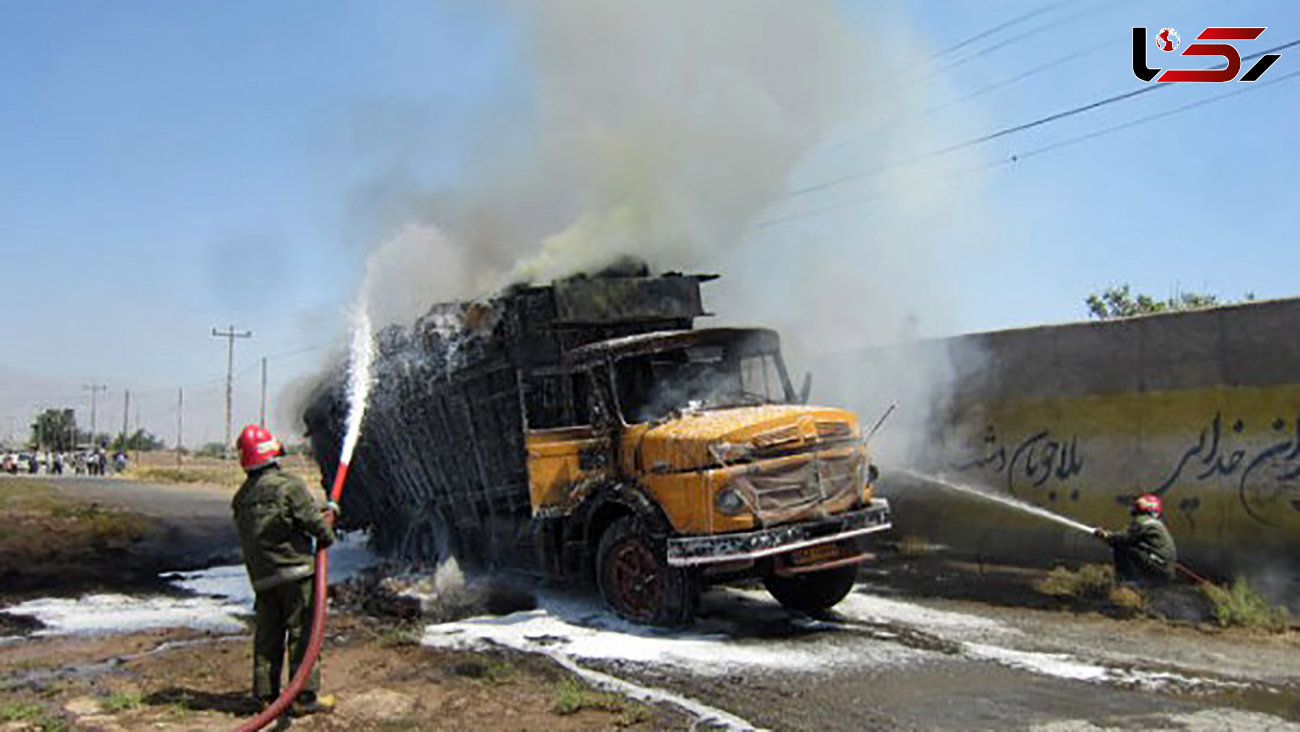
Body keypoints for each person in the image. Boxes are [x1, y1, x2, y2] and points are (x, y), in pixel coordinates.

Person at [231, 424, 338, 716]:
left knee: (268, 637)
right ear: (272, 453)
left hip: (262, 580)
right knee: (303, 634)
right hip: (296, 575)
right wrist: (328, 523)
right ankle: (303, 697)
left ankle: (265, 697)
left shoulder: (241, 497)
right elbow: (316, 528)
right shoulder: (288, 486)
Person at [1093, 493, 1177, 586]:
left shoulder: (1144, 521)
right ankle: (1138, 581)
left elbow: (1125, 538)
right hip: (1164, 569)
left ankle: (1126, 581)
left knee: (1120, 545)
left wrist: (1106, 536)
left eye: (1136, 505)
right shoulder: (1155, 523)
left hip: (1159, 567)